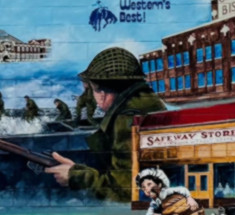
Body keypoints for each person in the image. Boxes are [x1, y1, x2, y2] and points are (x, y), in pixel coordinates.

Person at [44, 47, 167, 203]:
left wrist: (76, 176)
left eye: (91, 90)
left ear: (102, 94)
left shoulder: (127, 118)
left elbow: (123, 191)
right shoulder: (149, 103)